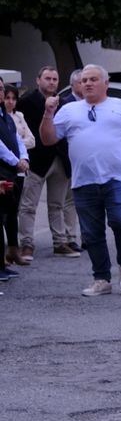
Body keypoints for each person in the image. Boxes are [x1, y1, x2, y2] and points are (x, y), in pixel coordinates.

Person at [39, 65, 121, 296]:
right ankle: (101, 279)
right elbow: (48, 139)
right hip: (83, 180)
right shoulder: (69, 110)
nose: (88, 84)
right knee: (92, 233)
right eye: (84, 80)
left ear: (106, 83)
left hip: (117, 178)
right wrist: (48, 114)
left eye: (93, 79)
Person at [15, 66, 79, 261]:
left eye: (54, 79)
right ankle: (26, 244)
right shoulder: (26, 101)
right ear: (38, 80)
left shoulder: (64, 103)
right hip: (35, 160)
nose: (51, 82)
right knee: (28, 206)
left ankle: (60, 243)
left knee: (57, 205)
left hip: (60, 159)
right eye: (47, 78)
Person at [0, 84, 29, 279]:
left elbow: (17, 140)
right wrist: (15, 161)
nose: (1, 93)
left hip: (10, 173)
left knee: (8, 214)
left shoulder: (7, 116)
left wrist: (24, 158)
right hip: (3, 171)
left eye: (2, 88)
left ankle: (3, 264)